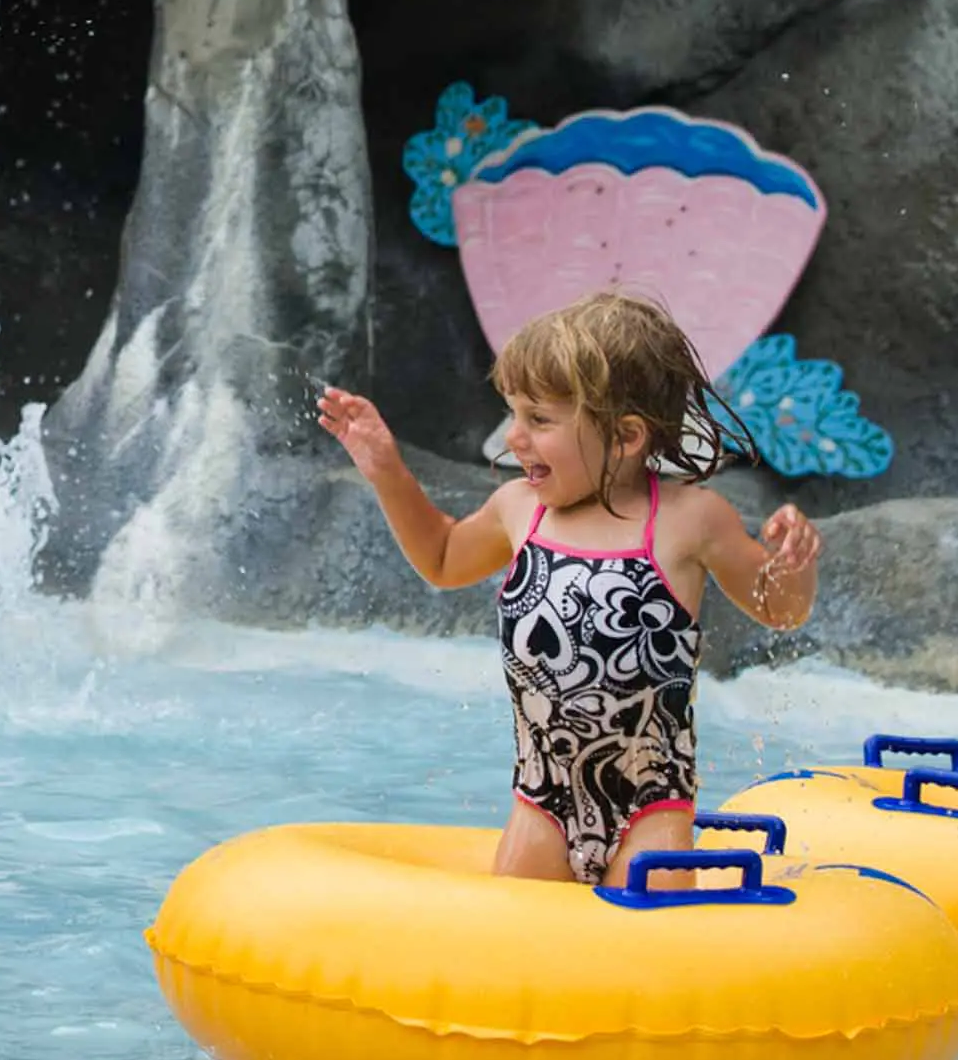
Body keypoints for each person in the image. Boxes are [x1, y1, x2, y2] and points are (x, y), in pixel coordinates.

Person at [315, 289, 821, 885]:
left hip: (649, 808)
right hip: (542, 803)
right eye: (514, 414)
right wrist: (387, 472)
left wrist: (792, 567)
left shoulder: (690, 520)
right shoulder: (518, 508)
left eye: (539, 420)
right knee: (517, 949)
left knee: (646, 945)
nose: (514, 438)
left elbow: (778, 610)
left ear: (626, 437)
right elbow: (444, 558)